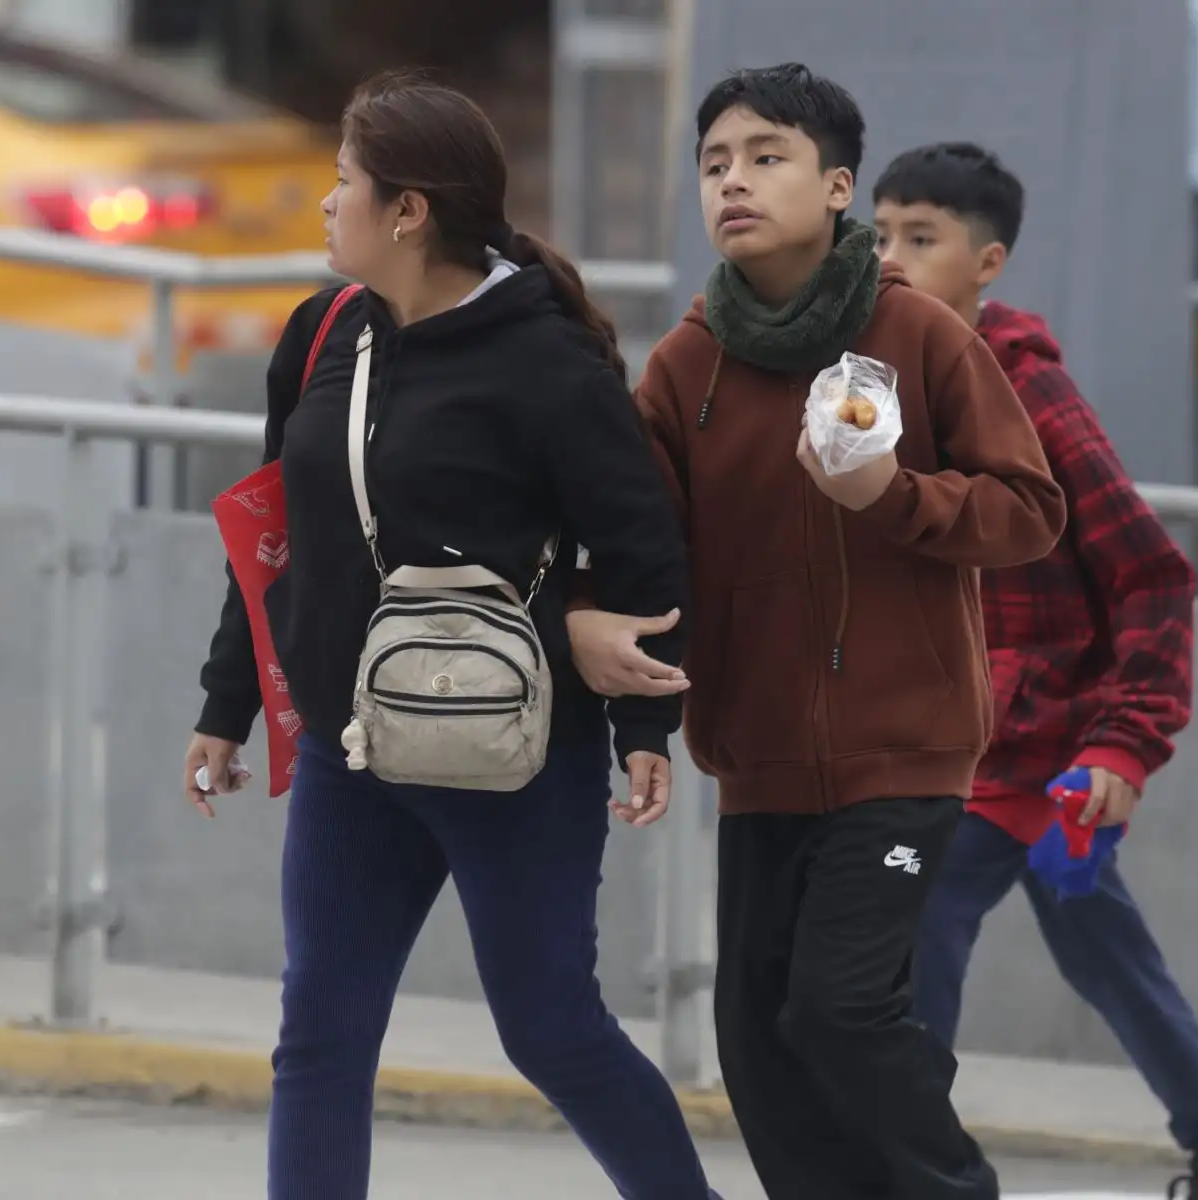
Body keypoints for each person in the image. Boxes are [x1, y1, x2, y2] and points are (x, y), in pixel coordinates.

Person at [183, 71, 719, 1200]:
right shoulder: (325, 331)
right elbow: (277, 531)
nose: (328, 204)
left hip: (513, 757)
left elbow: (644, 552)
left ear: (410, 210)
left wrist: (646, 724)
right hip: (351, 749)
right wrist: (227, 705)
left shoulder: (545, 361)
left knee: (551, 1030)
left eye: (345, 184)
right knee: (319, 1036)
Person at [571, 64, 1066, 1200]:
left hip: (905, 757)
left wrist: (891, 496)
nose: (733, 183)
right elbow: (640, 547)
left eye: (765, 157)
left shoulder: (921, 334)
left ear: (838, 187)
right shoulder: (686, 363)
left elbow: (1031, 513)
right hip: (760, 766)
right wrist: (588, 619)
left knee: (840, 1009)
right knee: (757, 1042)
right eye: (713, 164)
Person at [871, 140, 1198, 1200]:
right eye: (876, 236)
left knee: (913, 922)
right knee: (1107, 954)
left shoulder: (1030, 401)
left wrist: (1122, 739)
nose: (888, 261)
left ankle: (912, 1169)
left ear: (989, 262)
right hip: (958, 741)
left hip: (1029, 758)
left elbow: (1153, 576)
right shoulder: (875, 386)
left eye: (920, 239)